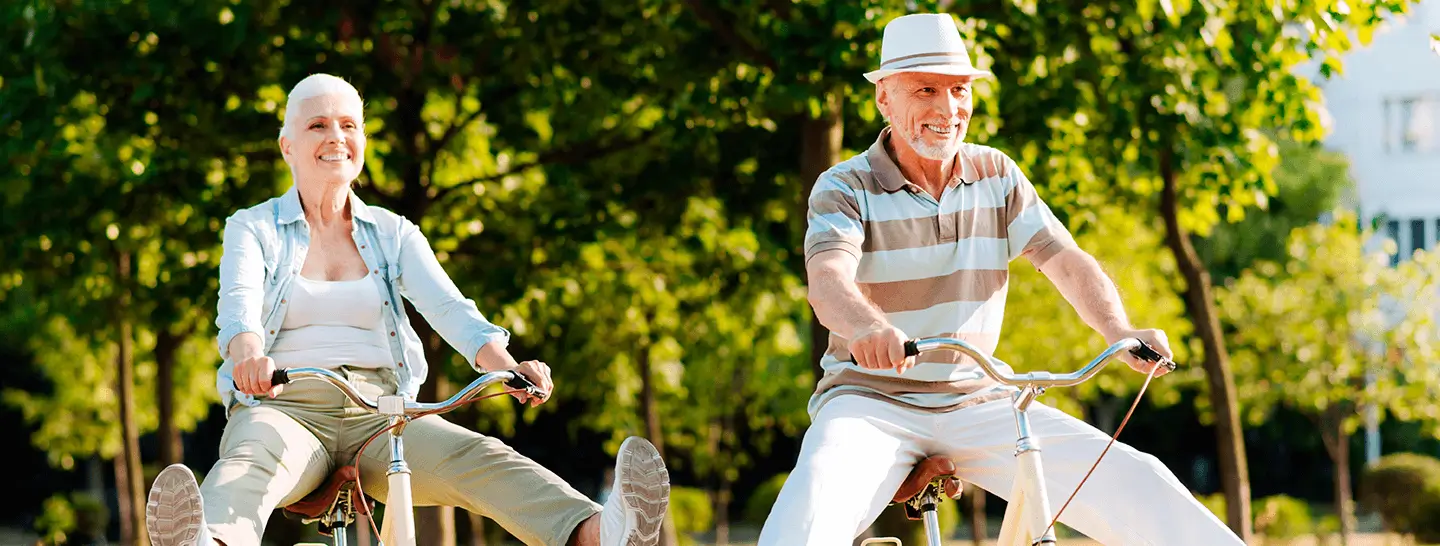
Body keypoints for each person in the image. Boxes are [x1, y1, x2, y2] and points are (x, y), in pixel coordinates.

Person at [756, 14, 1244, 545]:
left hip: (981, 398)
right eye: (926, 90)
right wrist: (868, 328)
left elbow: (1065, 259)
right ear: (885, 100)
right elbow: (827, 278)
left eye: (960, 91)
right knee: (809, 513)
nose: (948, 109)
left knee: (1139, 482)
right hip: (871, 403)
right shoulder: (844, 187)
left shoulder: (996, 174)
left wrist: (1118, 330)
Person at [143, 74, 670, 546]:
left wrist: (505, 367)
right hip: (285, 407)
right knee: (251, 463)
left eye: (349, 125)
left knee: (481, 458)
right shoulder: (252, 227)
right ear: (287, 146)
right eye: (318, 125)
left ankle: (599, 533)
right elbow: (238, 306)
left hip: (382, 413)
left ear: (363, 142)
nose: (336, 137)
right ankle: (208, 540)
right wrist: (248, 356)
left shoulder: (395, 233)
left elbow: (449, 308)